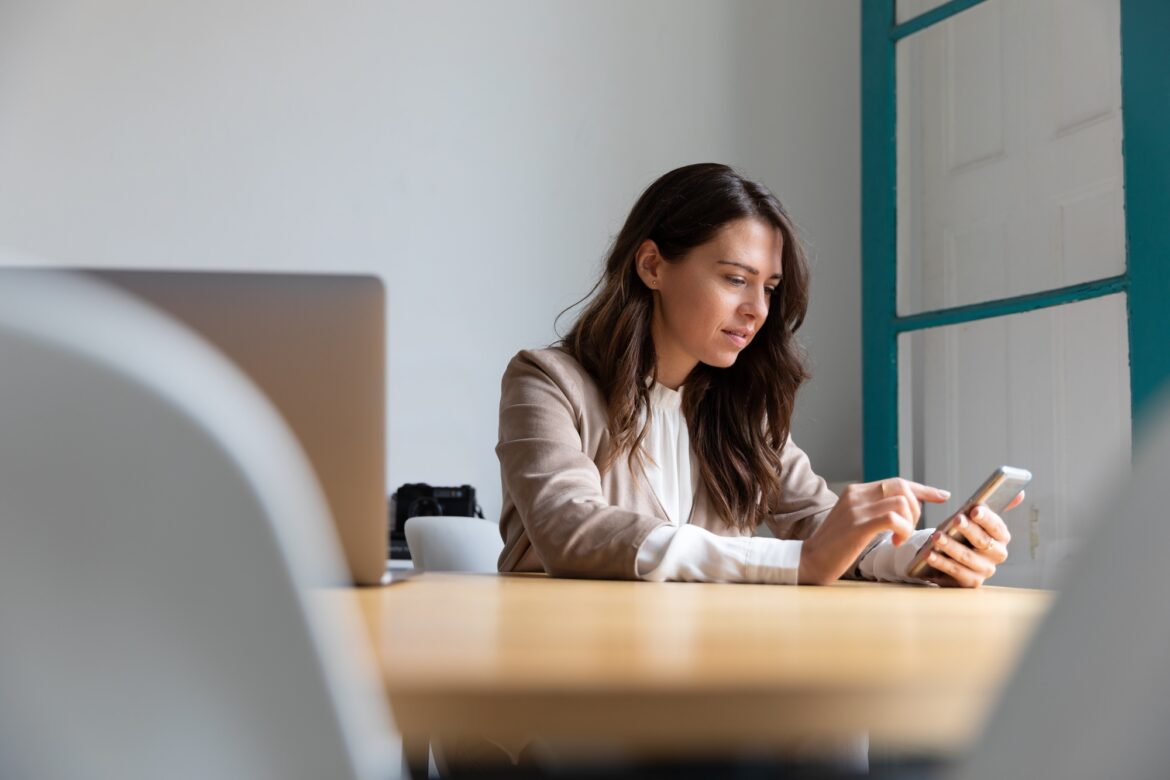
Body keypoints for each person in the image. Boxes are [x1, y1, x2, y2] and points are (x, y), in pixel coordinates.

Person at [496, 162, 1022, 587]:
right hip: (573, 685)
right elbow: (568, 528)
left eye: (768, 287)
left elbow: (819, 525)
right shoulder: (546, 382)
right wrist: (797, 562)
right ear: (652, 265)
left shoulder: (743, 408)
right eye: (734, 279)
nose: (758, 309)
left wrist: (920, 557)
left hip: (708, 682)